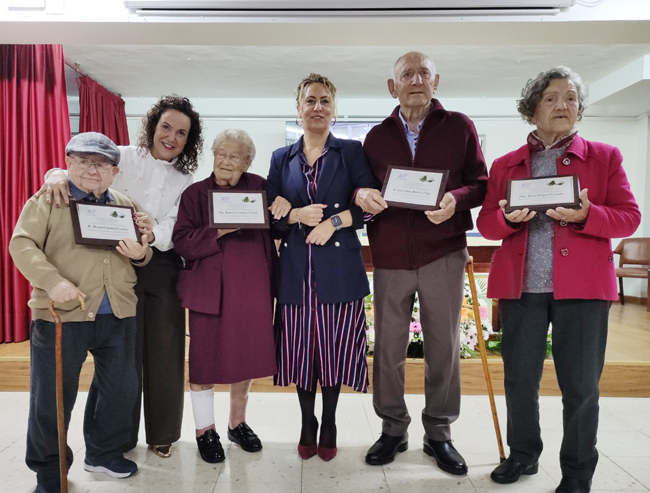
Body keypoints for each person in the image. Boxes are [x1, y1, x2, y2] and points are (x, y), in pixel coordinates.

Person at [477, 67, 640, 493]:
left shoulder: (605, 157)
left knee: (581, 386)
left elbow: (630, 215)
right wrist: (507, 219)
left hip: (584, 291)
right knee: (519, 380)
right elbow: (487, 223)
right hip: (521, 289)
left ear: (579, 109)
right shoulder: (505, 165)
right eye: (551, 98)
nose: (562, 105)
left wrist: (590, 215)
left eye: (570, 97)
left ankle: (578, 473)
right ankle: (523, 455)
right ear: (532, 110)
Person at [36, 95, 203, 458]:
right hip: (109, 263)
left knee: (165, 352)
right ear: (152, 126)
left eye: (181, 133)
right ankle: (115, 440)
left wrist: (149, 237)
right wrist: (53, 176)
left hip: (160, 265)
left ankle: (163, 433)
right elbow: (80, 169)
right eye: (166, 127)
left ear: (188, 140)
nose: (171, 137)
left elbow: (176, 226)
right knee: (121, 357)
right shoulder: (122, 156)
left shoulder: (186, 178)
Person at [355, 52, 488, 474]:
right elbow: (363, 188)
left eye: (424, 73)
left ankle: (439, 433)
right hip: (391, 255)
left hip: (444, 252)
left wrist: (456, 200)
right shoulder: (375, 137)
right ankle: (393, 428)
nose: (416, 79)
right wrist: (363, 195)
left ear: (436, 82)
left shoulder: (460, 126)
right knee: (388, 347)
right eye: (406, 74)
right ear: (392, 87)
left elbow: (481, 183)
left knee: (444, 348)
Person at [10, 132, 152, 493]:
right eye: (85, 161)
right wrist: (51, 281)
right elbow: (22, 244)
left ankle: (103, 453)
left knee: (119, 390)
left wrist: (142, 253)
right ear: (68, 162)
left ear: (114, 171)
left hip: (118, 313)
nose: (93, 169)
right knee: (53, 398)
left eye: (102, 164)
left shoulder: (123, 202)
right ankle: (49, 470)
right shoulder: (48, 198)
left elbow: (141, 252)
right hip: (62, 314)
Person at [266, 73, 380, 462]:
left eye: (325, 101)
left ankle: (329, 420)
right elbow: (273, 216)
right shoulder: (282, 158)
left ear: (334, 109)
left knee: (333, 352)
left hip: (339, 270)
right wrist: (296, 213)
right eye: (310, 101)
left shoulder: (351, 152)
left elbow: (369, 205)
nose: (318, 107)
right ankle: (306, 421)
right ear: (298, 110)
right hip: (297, 273)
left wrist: (332, 222)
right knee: (301, 352)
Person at [172, 129, 278, 463]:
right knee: (204, 362)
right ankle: (205, 429)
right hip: (208, 292)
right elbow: (182, 242)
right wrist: (220, 229)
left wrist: (285, 205)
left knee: (244, 358)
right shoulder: (194, 194)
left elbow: (280, 224)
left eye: (234, 156)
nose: (226, 161)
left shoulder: (260, 187)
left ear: (247, 161)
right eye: (220, 153)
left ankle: (237, 423)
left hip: (253, 291)